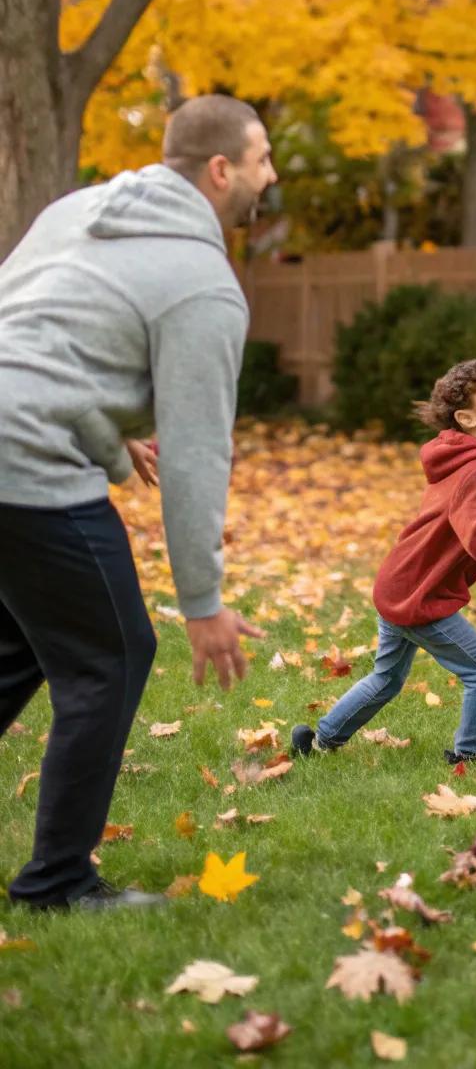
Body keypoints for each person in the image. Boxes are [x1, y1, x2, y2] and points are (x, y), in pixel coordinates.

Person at [0, 95, 276, 910]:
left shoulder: (75, 210)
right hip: (27, 466)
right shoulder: (203, 286)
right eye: (262, 158)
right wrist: (203, 601)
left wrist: (103, 432)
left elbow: (20, 330)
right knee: (112, 656)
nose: (271, 175)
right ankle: (58, 882)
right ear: (221, 170)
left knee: (18, 645)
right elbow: (197, 454)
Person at [291, 356, 476, 764]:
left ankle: (319, 741)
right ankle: (468, 758)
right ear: (467, 419)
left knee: (386, 678)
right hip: (421, 596)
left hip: (400, 583)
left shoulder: (458, 458)